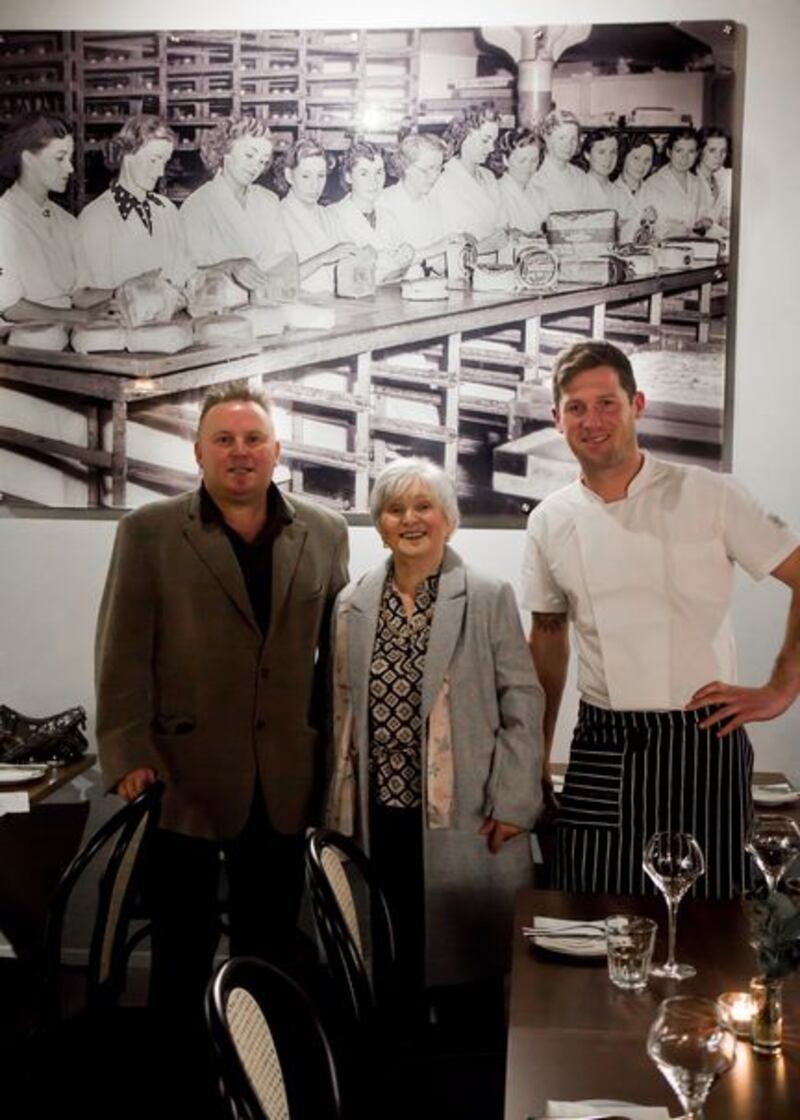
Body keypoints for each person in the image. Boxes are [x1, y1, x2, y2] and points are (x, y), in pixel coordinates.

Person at [96, 383, 349, 1101]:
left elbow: (333, 664)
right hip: (179, 776)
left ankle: (262, 1083)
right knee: (181, 947)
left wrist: (336, 765)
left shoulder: (326, 534)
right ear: (198, 449)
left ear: (277, 450)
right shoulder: (148, 531)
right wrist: (126, 753)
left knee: (270, 944)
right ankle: (179, 1084)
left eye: (253, 439)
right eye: (224, 439)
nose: (240, 452)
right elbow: (121, 654)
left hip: (285, 778)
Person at [520, 340, 800, 900]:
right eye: (576, 407)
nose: (592, 420)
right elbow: (548, 639)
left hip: (702, 738)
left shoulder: (709, 493)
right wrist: (534, 756)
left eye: (607, 403)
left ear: (637, 405)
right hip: (603, 743)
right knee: (591, 909)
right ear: (557, 419)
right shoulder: (550, 519)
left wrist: (780, 690)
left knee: (711, 922)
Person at [327, 457, 543, 1007]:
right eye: (395, 509)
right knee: (389, 961)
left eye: (424, 506)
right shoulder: (351, 603)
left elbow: (523, 700)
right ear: (379, 524)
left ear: (448, 519)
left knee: (466, 975)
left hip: (465, 812)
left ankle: (467, 1081)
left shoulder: (488, 596)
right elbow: (339, 710)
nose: (410, 519)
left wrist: (516, 800)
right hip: (379, 816)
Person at [0, 111, 112, 322]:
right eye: (60, 158)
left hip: (65, 333)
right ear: (28, 159)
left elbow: (79, 294)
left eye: (69, 159)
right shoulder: (4, 220)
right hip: (18, 344)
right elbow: (11, 307)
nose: (69, 168)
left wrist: (122, 293)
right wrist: (83, 317)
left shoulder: (66, 222)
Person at [75, 114, 192, 291]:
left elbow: (186, 273)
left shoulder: (167, 209)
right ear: (127, 154)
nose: (160, 172)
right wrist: (134, 292)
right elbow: (84, 295)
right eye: (154, 159)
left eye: (164, 161)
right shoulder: (95, 217)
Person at [179, 115, 293, 287]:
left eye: (262, 161)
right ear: (225, 151)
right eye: (249, 155)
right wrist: (229, 267)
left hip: (265, 304)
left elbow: (283, 258)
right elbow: (184, 274)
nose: (256, 166)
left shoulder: (268, 201)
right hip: (216, 308)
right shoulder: (198, 205)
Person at [324, 139, 414, 282]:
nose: (373, 182)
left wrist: (408, 257)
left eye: (378, 172)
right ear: (348, 176)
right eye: (364, 174)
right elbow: (344, 276)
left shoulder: (388, 217)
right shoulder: (333, 216)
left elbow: (405, 267)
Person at [277, 137, 356, 293]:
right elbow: (276, 281)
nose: (315, 185)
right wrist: (322, 258)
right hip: (296, 309)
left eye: (321, 176)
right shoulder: (278, 217)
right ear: (289, 175)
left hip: (334, 306)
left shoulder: (329, 216)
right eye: (306, 176)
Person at [433, 105, 507, 252]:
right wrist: (483, 247)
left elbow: (502, 223)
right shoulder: (442, 178)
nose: (492, 148)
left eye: (494, 141)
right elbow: (446, 241)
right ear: (464, 136)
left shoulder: (488, 177)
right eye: (485, 140)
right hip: (461, 267)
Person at [639, 127, 714, 239]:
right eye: (679, 151)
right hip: (664, 250)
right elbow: (646, 229)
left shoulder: (698, 183)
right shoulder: (652, 184)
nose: (684, 157)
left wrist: (705, 222)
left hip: (694, 246)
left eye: (691, 152)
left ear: (697, 154)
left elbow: (704, 215)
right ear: (669, 152)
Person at [529, 108, 588, 212]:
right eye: (562, 138)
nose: (568, 145)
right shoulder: (535, 176)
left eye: (573, 139)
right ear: (546, 137)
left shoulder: (580, 176)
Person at [497, 127, 549, 237]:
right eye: (522, 160)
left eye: (534, 161)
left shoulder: (540, 193)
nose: (527, 167)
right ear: (505, 160)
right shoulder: (496, 192)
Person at [695, 127, 731, 238]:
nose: (718, 157)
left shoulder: (724, 176)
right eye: (712, 150)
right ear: (700, 151)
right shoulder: (691, 180)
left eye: (723, 151)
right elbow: (696, 226)